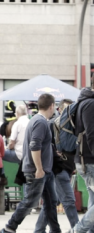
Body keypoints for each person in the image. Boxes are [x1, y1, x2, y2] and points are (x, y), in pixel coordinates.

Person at [0, 94, 61, 233]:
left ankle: (56, 230)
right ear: (51, 106)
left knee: (52, 202)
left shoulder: (36, 120)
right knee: (30, 201)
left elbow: (40, 145)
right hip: (37, 170)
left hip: (46, 170)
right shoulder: (40, 122)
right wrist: (39, 168)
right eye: (54, 107)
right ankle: (9, 228)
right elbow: (35, 146)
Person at [36, 99, 79, 232]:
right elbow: (42, 145)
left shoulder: (74, 126)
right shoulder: (51, 124)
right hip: (58, 168)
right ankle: (78, 229)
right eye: (66, 110)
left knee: (52, 202)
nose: (69, 114)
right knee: (68, 201)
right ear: (59, 110)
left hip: (67, 167)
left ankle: (39, 229)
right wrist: (54, 152)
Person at [69, 87, 94, 233]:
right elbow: (91, 134)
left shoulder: (84, 102)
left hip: (86, 160)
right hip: (89, 161)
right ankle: (77, 230)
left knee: (92, 201)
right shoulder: (90, 104)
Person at [0, 105, 29, 184]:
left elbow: (12, 143)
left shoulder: (17, 124)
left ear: (17, 113)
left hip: (18, 154)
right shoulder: (31, 122)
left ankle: (2, 176)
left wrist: (8, 148)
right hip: (29, 155)